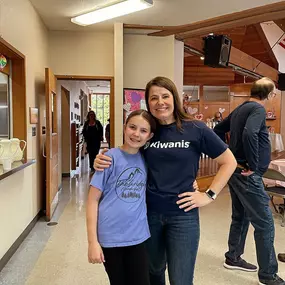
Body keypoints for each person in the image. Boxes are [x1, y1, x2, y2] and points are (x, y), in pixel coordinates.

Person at [94, 76, 237, 285]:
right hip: (148, 215)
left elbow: (229, 161)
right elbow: (126, 155)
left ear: (174, 98)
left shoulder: (195, 128)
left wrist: (209, 195)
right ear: (148, 102)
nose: (160, 102)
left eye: (165, 96)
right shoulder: (147, 131)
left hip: (183, 217)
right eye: (153, 98)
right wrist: (102, 158)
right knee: (154, 273)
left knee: (181, 279)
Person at [214, 77, 284, 285]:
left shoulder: (241, 108)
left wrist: (227, 155)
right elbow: (249, 133)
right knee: (265, 224)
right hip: (246, 173)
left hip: (235, 171)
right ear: (270, 94)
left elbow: (218, 129)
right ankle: (268, 275)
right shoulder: (258, 109)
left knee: (241, 216)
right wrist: (253, 165)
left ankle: (233, 257)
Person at [86, 109, 156, 285]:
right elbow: (92, 200)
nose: (136, 134)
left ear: (150, 136)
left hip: (138, 236)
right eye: (132, 127)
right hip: (110, 238)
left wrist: (191, 182)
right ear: (124, 128)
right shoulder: (109, 158)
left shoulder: (148, 160)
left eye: (143, 130)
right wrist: (92, 242)